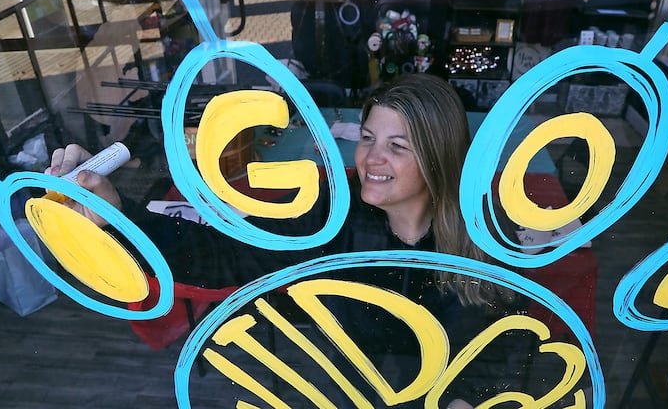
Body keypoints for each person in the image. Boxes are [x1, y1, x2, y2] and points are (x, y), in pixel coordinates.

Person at [46, 73, 527, 406]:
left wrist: (468, 400)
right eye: (367, 137)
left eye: (396, 146)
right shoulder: (334, 218)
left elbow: (511, 339)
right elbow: (221, 257)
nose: (371, 158)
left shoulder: (483, 237)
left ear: (439, 155)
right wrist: (120, 217)